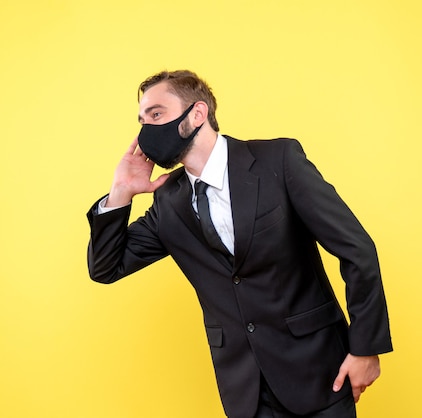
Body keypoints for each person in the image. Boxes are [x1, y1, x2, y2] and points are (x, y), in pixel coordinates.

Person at [86, 69, 393, 418]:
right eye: (142, 121)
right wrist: (121, 192)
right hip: (245, 392)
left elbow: (356, 249)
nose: (146, 131)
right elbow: (106, 267)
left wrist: (366, 349)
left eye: (156, 115)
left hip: (319, 373)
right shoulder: (167, 203)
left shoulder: (278, 161)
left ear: (197, 114)